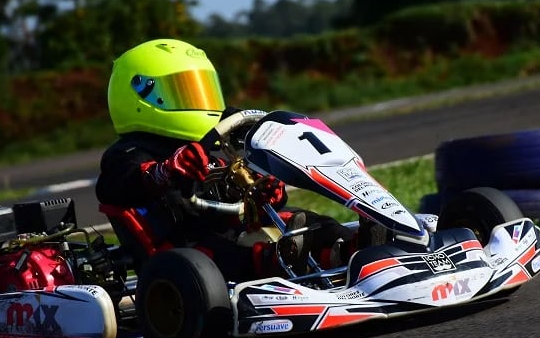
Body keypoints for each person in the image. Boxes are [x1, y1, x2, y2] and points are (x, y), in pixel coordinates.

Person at [96, 38, 355, 282]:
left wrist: (263, 192)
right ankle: (279, 261)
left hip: (233, 229)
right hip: (186, 252)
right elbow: (117, 186)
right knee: (220, 251)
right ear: (141, 96)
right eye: (183, 92)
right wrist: (165, 172)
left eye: (201, 90)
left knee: (306, 220)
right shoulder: (127, 154)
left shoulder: (204, 151)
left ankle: (351, 250)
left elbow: (232, 196)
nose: (198, 101)